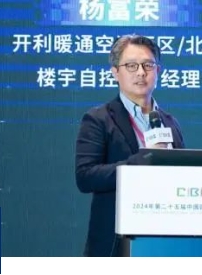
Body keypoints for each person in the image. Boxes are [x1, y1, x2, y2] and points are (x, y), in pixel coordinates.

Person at [74, 34, 186, 257]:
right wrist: (141, 163)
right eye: (131, 66)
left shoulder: (170, 122)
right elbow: (85, 176)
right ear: (115, 72)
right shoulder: (99, 119)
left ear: (158, 71)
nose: (141, 72)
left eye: (148, 65)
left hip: (164, 240)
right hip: (116, 244)